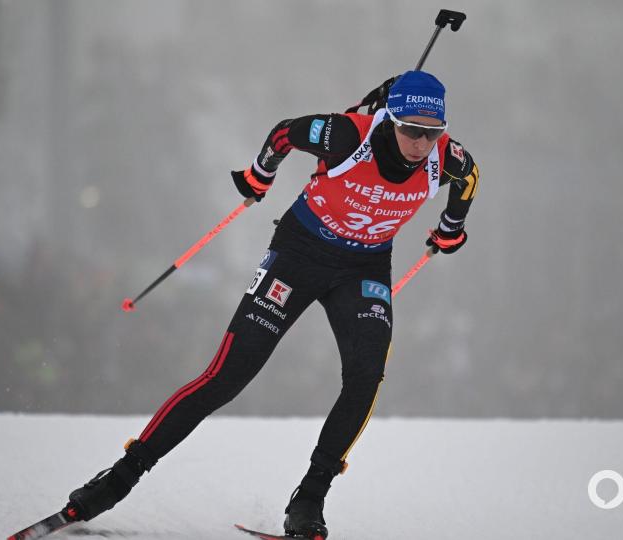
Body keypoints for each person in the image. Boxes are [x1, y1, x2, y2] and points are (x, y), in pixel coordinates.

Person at [61, 70, 480, 539]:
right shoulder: (345, 135)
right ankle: (120, 477)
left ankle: (309, 500)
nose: (421, 143)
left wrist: (450, 229)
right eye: (410, 129)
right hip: (301, 253)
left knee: (365, 375)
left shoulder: (448, 158)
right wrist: (260, 175)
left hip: (363, 270)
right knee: (227, 376)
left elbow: (470, 179)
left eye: (432, 132)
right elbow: (285, 132)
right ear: (389, 118)